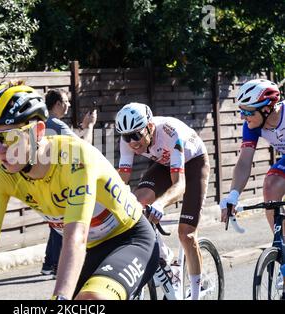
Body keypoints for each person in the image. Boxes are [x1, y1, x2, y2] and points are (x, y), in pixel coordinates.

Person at [0, 82, 158, 300]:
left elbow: (75, 237)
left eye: (8, 136)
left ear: (38, 131)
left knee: (91, 301)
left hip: (130, 238)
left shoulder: (74, 157)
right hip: (92, 248)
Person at [115, 102, 210, 300]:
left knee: (186, 235)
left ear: (150, 127)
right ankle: (166, 260)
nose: (132, 142)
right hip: (163, 164)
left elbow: (180, 184)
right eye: (126, 136)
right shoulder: (127, 141)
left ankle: (196, 291)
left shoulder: (170, 132)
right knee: (136, 204)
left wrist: (159, 204)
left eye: (136, 135)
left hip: (193, 164)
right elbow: (121, 181)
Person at [218, 79, 284, 299]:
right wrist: (233, 195)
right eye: (241, 112)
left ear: (267, 108)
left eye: (247, 112)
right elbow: (245, 161)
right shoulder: (253, 126)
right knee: (271, 185)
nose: (243, 118)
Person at [41, 88, 97, 276]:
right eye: (66, 101)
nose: (69, 105)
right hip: (63, 181)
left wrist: (81, 128)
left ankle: (49, 263)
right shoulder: (56, 124)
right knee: (67, 222)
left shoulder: (42, 123)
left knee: (56, 221)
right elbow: (84, 148)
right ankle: (59, 266)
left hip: (45, 181)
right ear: (57, 104)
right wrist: (89, 126)